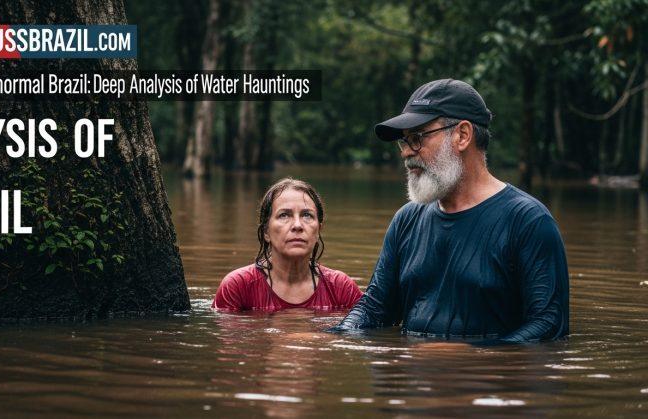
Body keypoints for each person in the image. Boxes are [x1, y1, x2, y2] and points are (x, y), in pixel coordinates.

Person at [329, 79, 569, 344]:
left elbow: (548, 326)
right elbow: (375, 308)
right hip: (413, 377)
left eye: (417, 138)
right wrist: (333, 337)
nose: (406, 152)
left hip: (488, 382)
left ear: (462, 135)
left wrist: (471, 354)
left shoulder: (528, 221)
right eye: (404, 141)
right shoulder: (406, 220)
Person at [213, 178, 363, 311]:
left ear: (318, 231)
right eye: (284, 215)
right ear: (266, 232)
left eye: (307, 215)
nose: (297, 225)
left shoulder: (342, 289)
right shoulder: (238, 286)